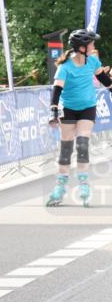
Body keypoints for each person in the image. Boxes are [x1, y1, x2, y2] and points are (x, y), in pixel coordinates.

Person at [46, 29, 112, 207]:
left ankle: (84, 184)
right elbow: (57, 90)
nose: (93, 45)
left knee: (82, 143)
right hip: (68, 109)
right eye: (91, 43)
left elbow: (104, 79)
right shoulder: (65, 66)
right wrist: (53, 110)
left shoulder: (92, 61)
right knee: (66, 149)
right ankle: (60, 187)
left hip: (88, 108)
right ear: (82, 47)